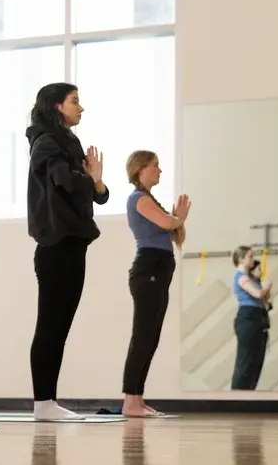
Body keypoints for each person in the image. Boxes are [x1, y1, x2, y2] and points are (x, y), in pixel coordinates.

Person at [26, 83, 109, 421]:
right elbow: (67, 181)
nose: (81, 107)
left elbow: (97, 193)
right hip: (56, 246)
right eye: (75, 101)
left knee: (59, 327)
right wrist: (90, 178)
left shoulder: (68, 143)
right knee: (50, 326)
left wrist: (97, 180)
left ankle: (48, 402)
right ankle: (43, 403)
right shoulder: (46, 143)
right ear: (57, 106)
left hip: (73, 244)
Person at [120, 150, 190, 418]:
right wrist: (176, 218)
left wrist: (177, 219)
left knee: (151, 338)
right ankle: (131, 401)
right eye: (155, 166)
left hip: (159, 271)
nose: (159, 170)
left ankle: (137, 399)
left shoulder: (152, 200)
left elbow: (177, 234)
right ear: (141, 170)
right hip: (147, 270)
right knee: (142, 336)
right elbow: (167, 223)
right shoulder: (137, 199)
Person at [230, 245, 271, 390]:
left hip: (258, 320)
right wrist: (266, 286)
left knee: (256, 361)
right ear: (241, 259)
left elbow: (265, 301)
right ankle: (236, 395)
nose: (253, 259)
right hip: (247, 320)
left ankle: (248, 392)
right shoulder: (241, 278)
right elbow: (258, 294)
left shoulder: (251, 278)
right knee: (245, 360)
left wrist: (265, 288)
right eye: (250, 256)